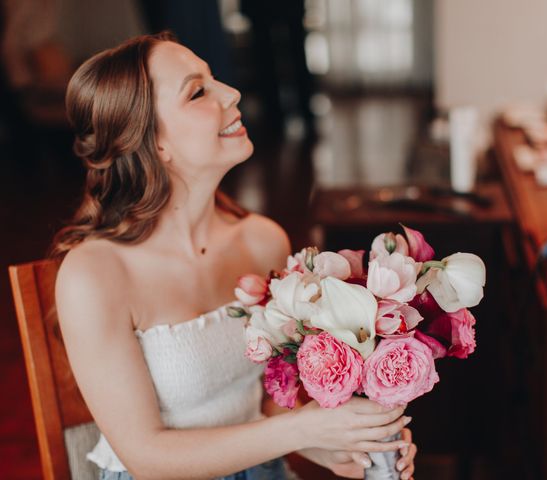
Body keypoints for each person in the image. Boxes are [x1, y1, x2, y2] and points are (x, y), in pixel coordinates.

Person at [53, 32, 417, 480]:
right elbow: (145, 456)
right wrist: (301, 431)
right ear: (154, 143)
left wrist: (336, 445)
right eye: (198, 91)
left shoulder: (262, 242)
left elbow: (266, 398)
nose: (232, 93)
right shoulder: (96, 274)